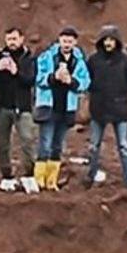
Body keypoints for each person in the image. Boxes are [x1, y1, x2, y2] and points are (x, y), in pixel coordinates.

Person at [33, 26, 90, 191]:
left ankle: (51, 181)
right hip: (48, 107)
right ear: (59, 40)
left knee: (58, 146)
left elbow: (85, 82)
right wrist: (54, 77)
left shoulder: (79, 61)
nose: (67, 44)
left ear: (75, 42)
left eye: (70, 41)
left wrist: (71, 81)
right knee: (45, 144)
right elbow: (38, 78)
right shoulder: (47, 57)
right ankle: (39, 179)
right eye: (64, 40)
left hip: (66, 108)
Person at [85, 25, 127, 189]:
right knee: (94, 146)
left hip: (119, 108)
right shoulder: (93, 60)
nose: (108, 43)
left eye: (111, 40)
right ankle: (90, 176)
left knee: (123, 146)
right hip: (98, 108)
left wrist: (120, 94)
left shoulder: (126, 61)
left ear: (117, 42)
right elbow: (87, 80)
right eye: (106, 39)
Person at [0, 27, 38, 193]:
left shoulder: (28, 58)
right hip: (2, 106)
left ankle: (29, 175)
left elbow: (30, 80)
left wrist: (16, 71)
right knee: (3, 144)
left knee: (27, 140)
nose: (12, 42)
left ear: (22, 39)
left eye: (15, 39)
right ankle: (7, 175)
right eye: (9, 39)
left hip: (22, 107)